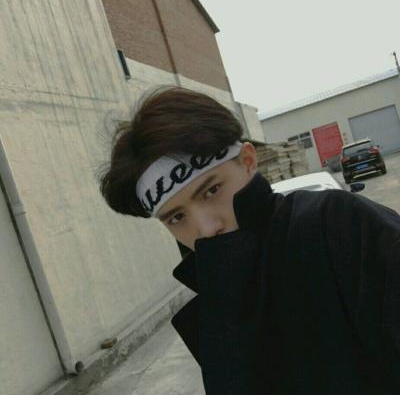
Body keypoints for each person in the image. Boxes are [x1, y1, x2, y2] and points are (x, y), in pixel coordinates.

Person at [99, 87, 400, 394]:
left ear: (247, 160)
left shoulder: (336, 225)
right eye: (177, 217)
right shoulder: (214, 304)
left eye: (211, 191)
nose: (207, 229)